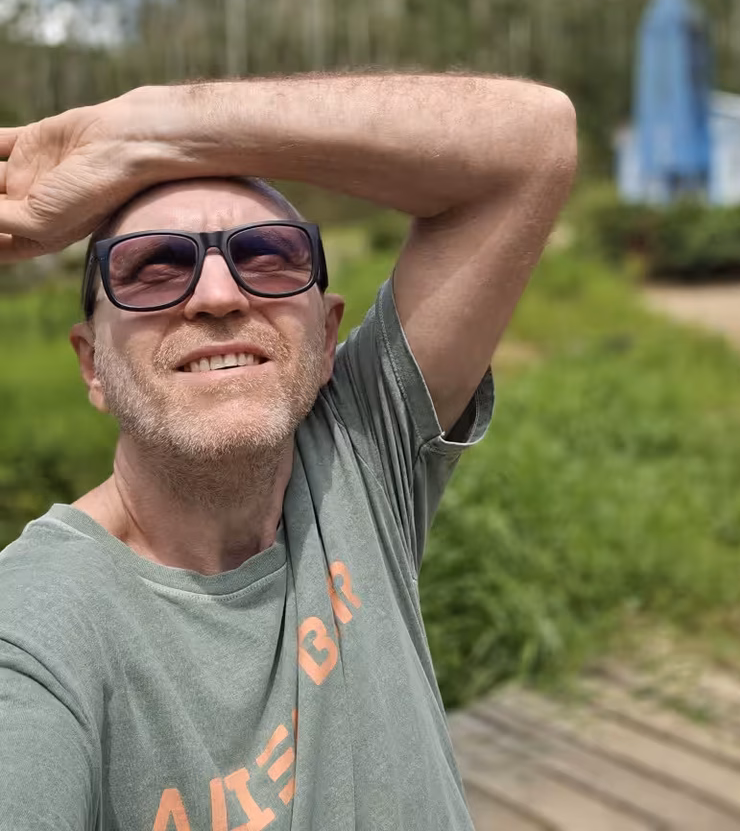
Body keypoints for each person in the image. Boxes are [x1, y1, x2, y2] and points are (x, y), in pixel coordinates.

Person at [0, 73, 577, 830]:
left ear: (328, 335)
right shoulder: (35, 631)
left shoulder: (359, 454)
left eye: (268, 257)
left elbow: (534, 140)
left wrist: (144, 129)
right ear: (92, 366)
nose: (217, 296)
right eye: (154, 267)